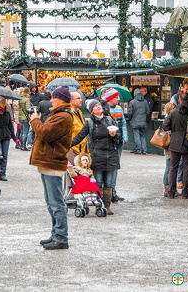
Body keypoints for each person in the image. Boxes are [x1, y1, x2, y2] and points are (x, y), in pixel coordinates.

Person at [29, 86, 74, 250]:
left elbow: (45, 133)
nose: (51, 100)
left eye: (54, 97)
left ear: (61, 99)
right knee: (51, 202)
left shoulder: (63, 116)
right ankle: (56, 234)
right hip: (48, 162)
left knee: (56, 203)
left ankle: (61, 237)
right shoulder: (58, 115)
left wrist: (35, 120)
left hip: (52, 162)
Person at [72, 98, 120, 215]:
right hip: (97, 155)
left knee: (109, 183)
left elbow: (119, 137)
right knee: (97, 182)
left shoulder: (109, 120)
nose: (99, 107)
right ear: (91, 110)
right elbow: (79, 137)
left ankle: (107, 206)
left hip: (111, 155)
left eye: (99, 105)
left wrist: (114, 135)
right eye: (95, 106)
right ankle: (98, 205)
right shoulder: (89, 123)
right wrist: (64, 145)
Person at [162, 96, 188, 199]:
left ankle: (171, 192)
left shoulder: (173, 112)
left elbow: (165, 126)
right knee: (187, 168)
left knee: (173, 168)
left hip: (175, 142)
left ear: (179, 101)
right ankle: (185, 193)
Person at [103, 88, 128, 202]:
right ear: (110, 98)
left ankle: (113, 190)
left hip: (118, 140)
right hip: (109, 141)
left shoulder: (119, 108)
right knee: (109, 167)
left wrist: (125, 137)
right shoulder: (104, 109)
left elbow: (123, 123)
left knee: (115, 167)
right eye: (116, 97)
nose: (118, 99)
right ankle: (108, 191)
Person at [0, 96, 18, 181]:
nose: (4, 104)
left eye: (5, 102)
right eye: (2, 102)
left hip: (6, 136)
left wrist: (14, 137)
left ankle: (3, 174)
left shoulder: (7, 113)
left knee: (5, 156)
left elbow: (10, 126)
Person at [128, 88, 150, 155]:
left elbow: (130, 113)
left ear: (134, 94)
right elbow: (148, 111)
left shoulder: (132, 102)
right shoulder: (145, 101)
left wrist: (130, 119)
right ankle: (144, 150)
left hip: (135, 121)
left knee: (137, 135)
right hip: (143, 121)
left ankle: (138, 150)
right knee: (143, 136)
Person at [162, 103, 177, 197]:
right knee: (169, 167)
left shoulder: (168, 118)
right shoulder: (168, 119)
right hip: (169, 146)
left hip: (169, 146)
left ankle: (169, 188)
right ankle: (167, 188)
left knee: (169, 167)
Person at [69, 90, 88, 163]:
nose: (81, 100)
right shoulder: (68, 114)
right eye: (78, 98)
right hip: (73, 149)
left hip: (82, 148)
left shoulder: (79, 112)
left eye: (81, 98)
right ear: (71, 101)